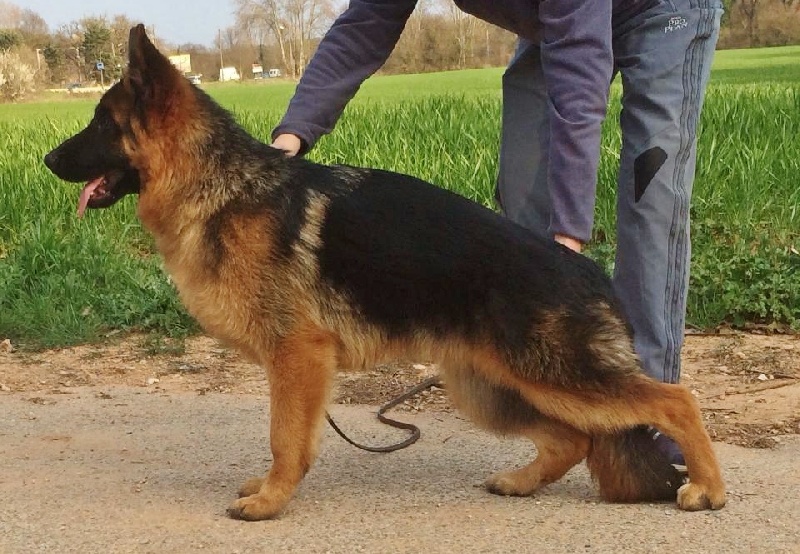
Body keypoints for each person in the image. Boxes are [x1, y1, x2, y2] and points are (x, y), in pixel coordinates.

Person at [271, 0, 724, 464]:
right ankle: (557, 409)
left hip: (658, 12)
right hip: (552, 26)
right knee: (521, 206)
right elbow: (367, 23)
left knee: (650, 199)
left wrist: (568, 234)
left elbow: (579, 75)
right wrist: (293, 136)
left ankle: (646, 427)